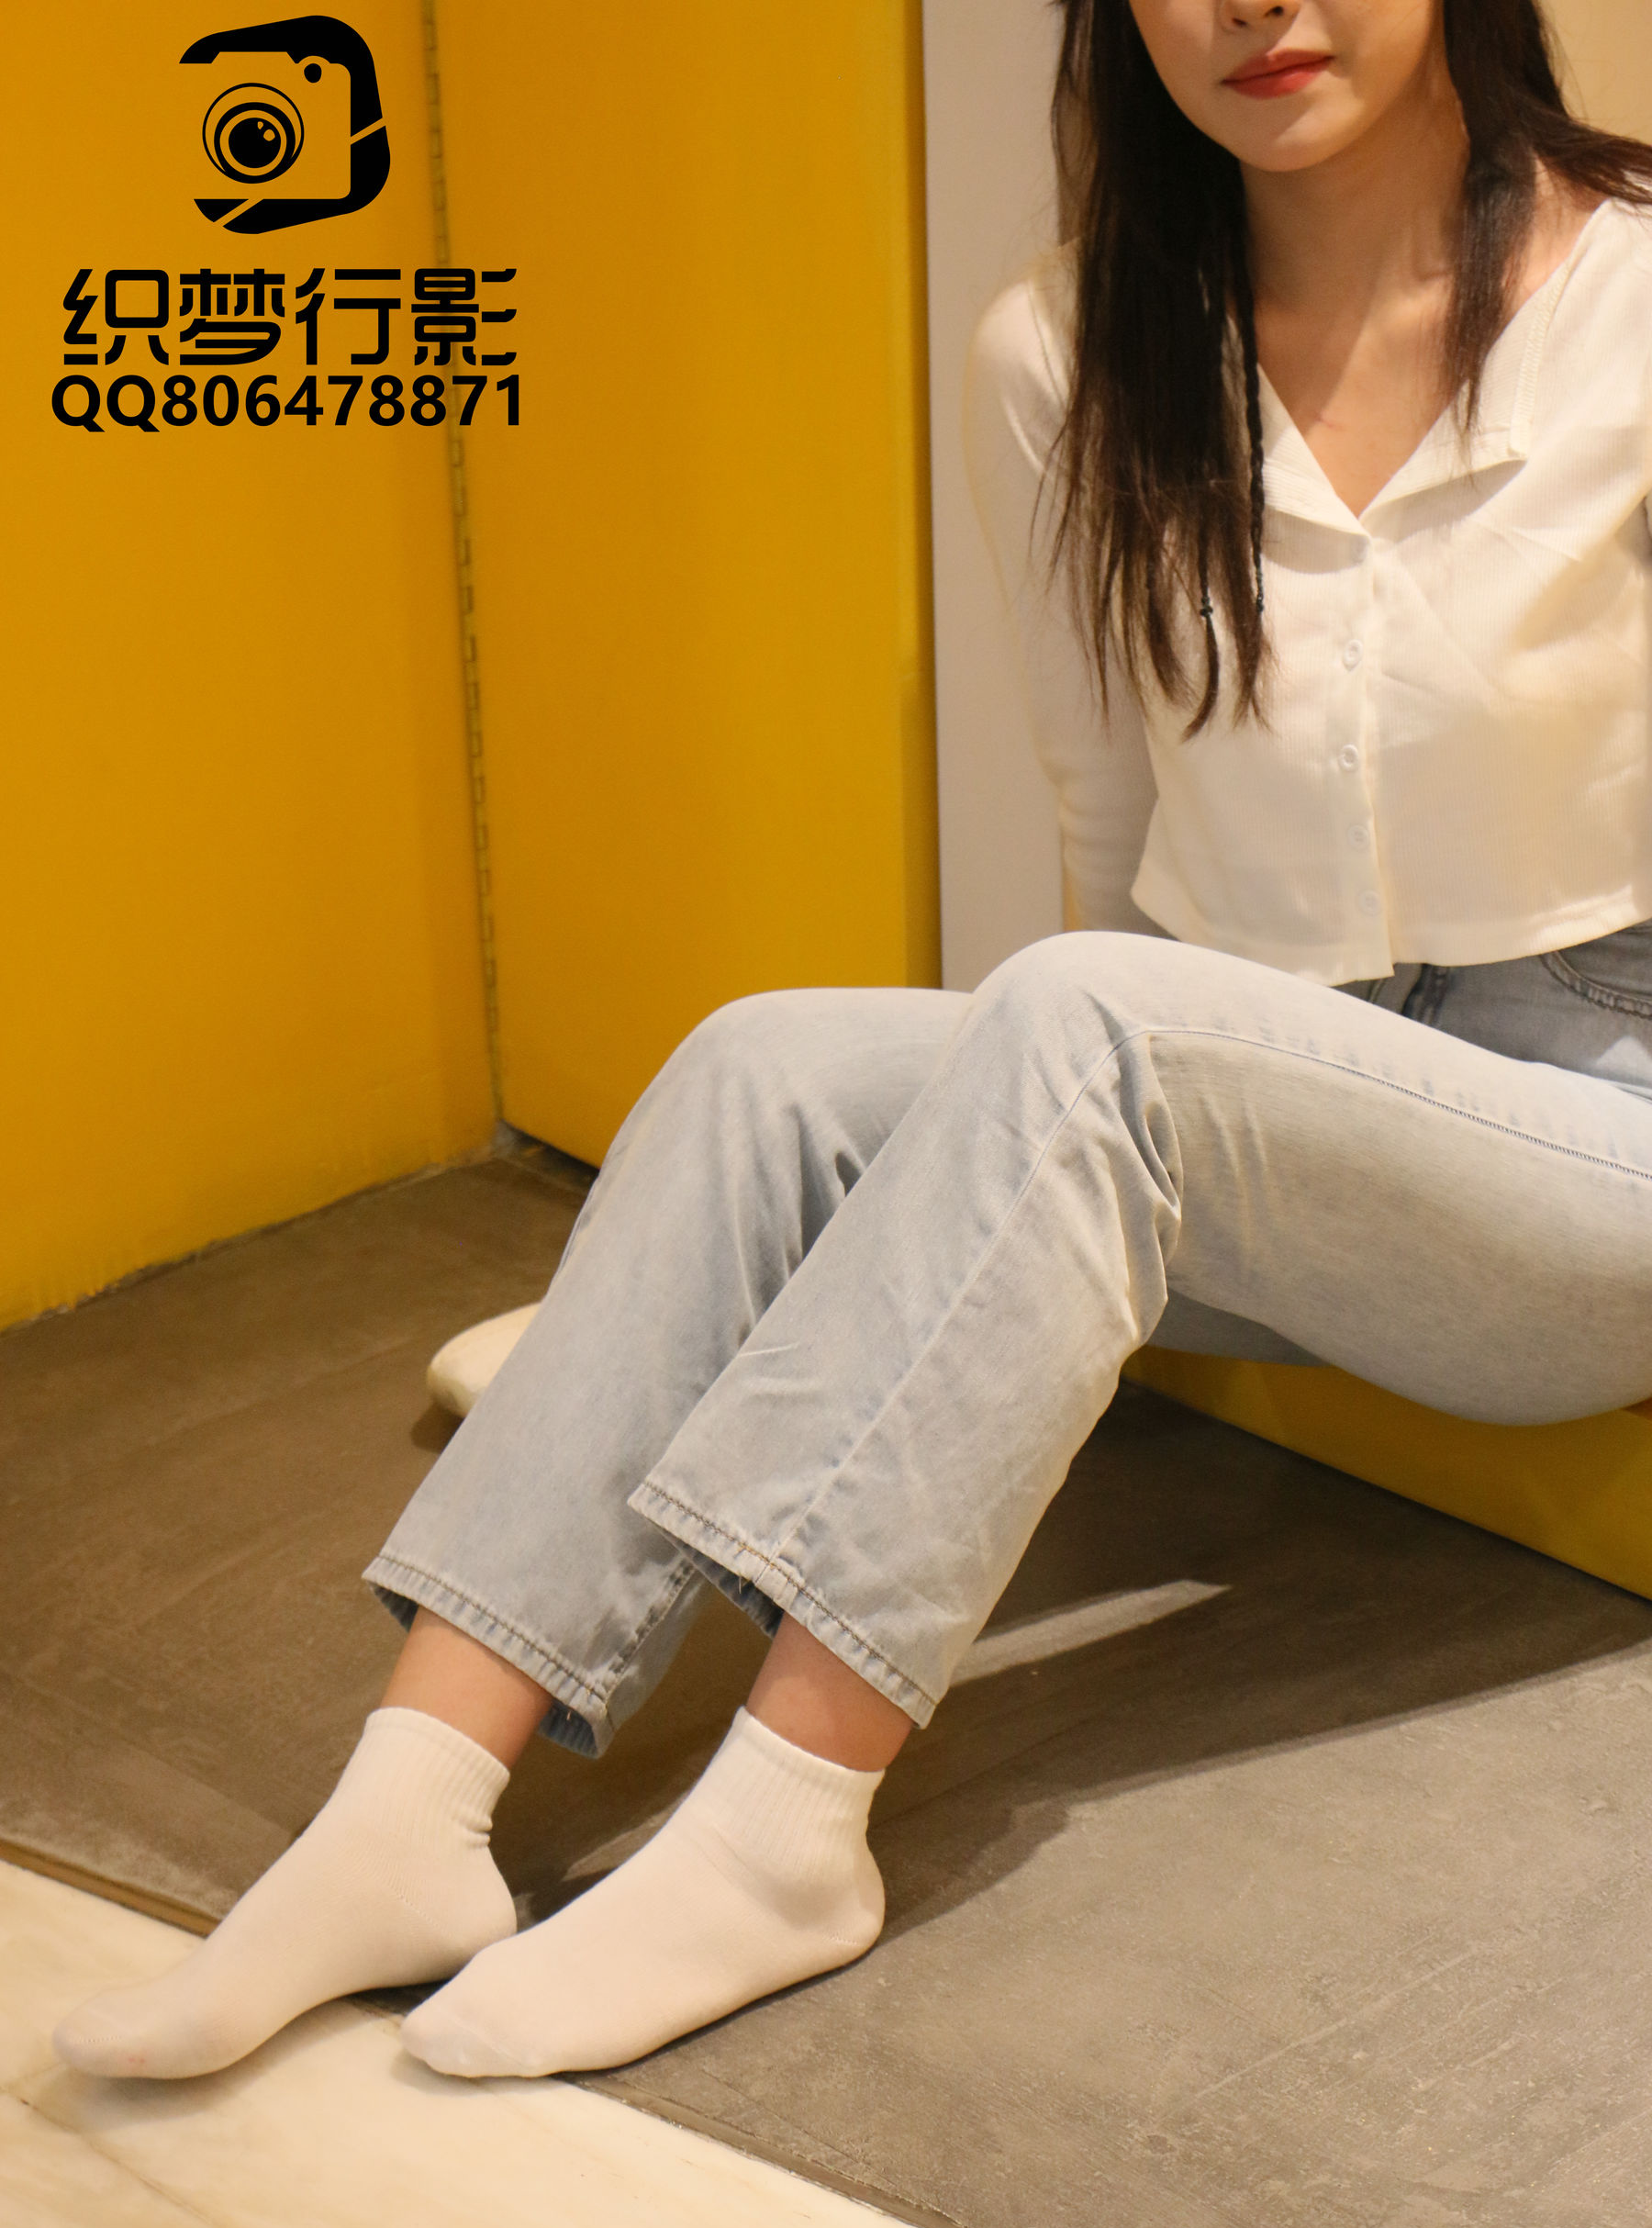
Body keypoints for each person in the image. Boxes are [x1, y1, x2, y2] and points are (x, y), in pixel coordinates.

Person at [55, 0, 1652, 2083]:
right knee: (768, 1064)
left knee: (1082, 1022)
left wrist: (1089, 1092)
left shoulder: (1629, 294)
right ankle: (410, 1807)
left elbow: (1110, 1010)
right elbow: (1109, 832)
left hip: (1600, 1131)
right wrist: (1027, 1212)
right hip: (1275, 1084)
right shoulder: (1066, 347)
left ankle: (785, 1834)